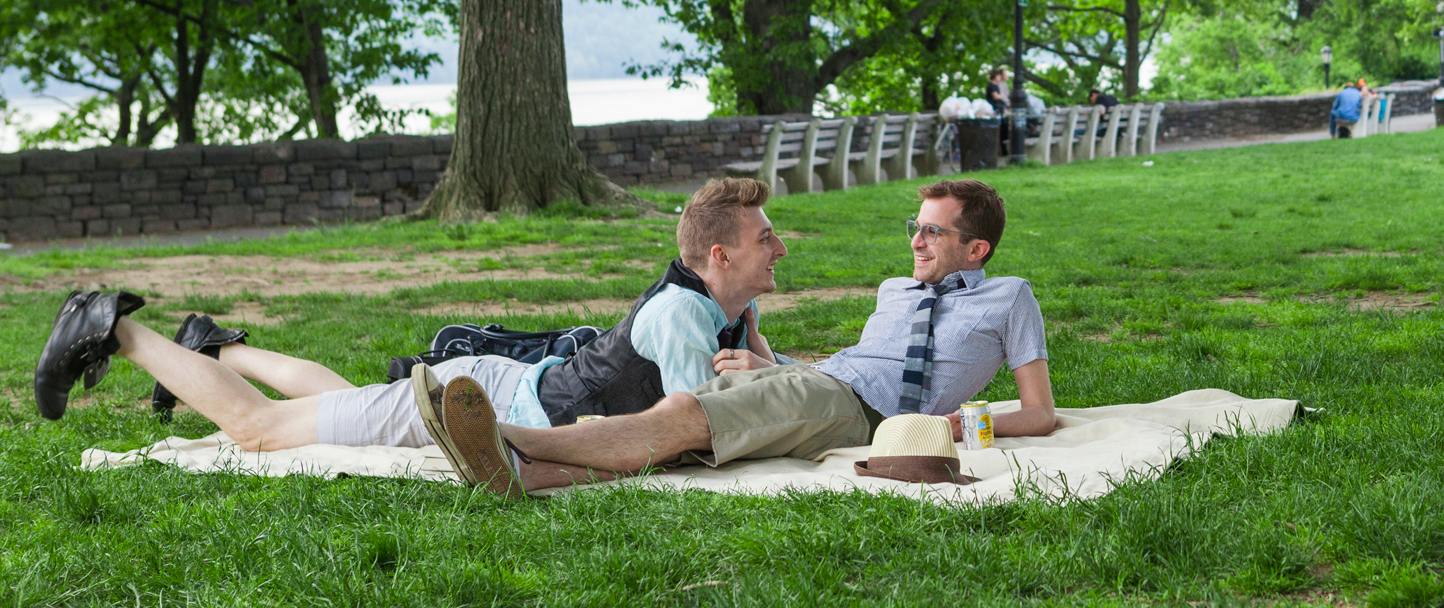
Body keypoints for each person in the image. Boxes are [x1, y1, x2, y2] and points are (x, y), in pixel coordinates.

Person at [33, 177, 785, 449]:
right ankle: (114, 329)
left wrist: (761, 356)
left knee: (346, 404)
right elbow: (703, 426)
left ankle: (214, 348)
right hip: (478, 401)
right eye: (764, 237)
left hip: (490, 390)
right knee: (259, 430)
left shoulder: (717, 309)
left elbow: (748, 395)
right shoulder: (685, 317)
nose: (779, 246)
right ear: (718, 256)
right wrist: (764, 374)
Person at [428, 179, 1056, 495]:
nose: (915, 242)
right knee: (703, 425)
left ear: (977, 249)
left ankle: (507, 439)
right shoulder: (896, 289)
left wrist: (960, 425)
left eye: (933, 234)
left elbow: (1040, 412)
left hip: (865, 413)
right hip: (823, 384)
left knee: (688, 410)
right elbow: (852, 365)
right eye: (914, 227)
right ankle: (521, 472)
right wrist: (769, 364)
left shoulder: (1010, 298)